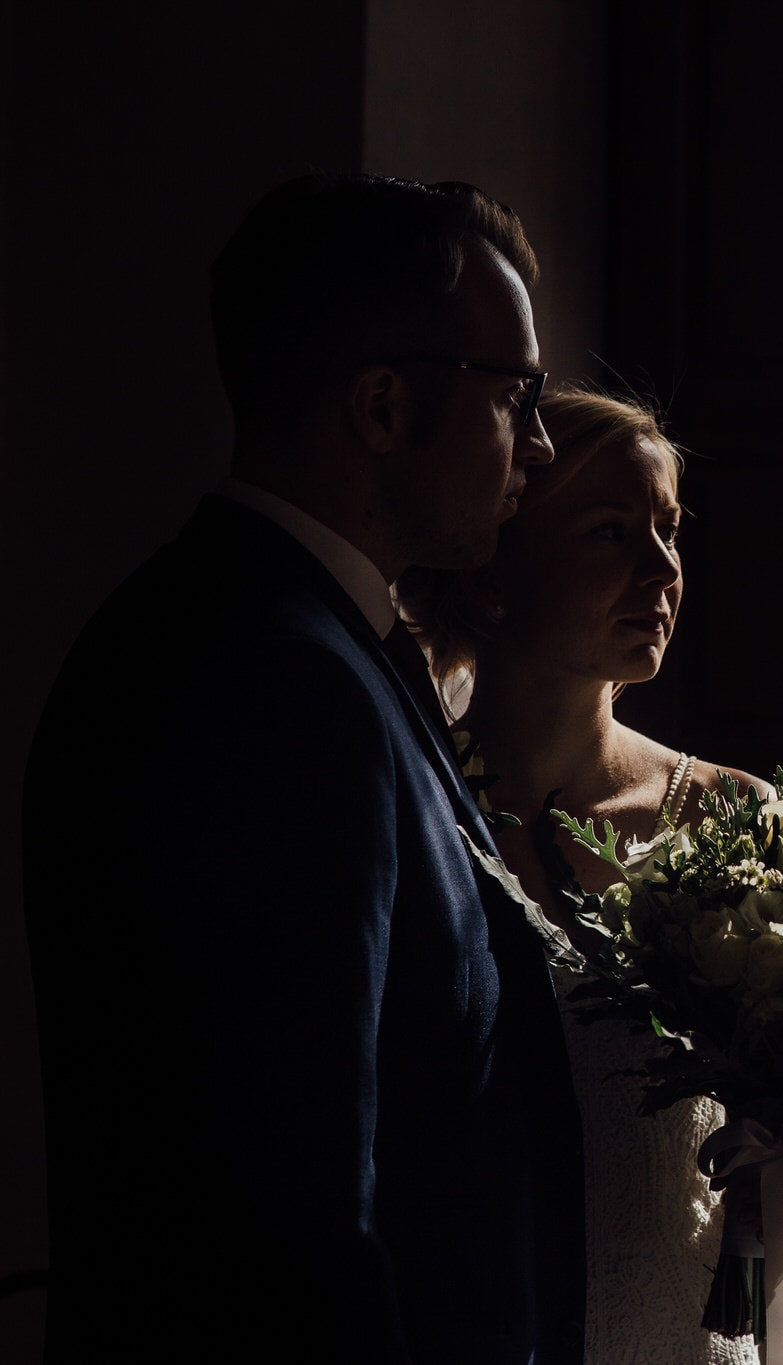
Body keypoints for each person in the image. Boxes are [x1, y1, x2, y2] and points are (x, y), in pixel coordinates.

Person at [23, 174, 582, 1363]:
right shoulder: (265, 681)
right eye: (514, 395)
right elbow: (289, 1210)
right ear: (381, 408)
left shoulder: (325, 648)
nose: (538, 442)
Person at [396, 386, 783, 1365]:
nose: (663, 569)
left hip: (682, 1329)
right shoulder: (406, 802)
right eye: (609, 533)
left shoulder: (733, 819)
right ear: (492, 567)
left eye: (669, 532)